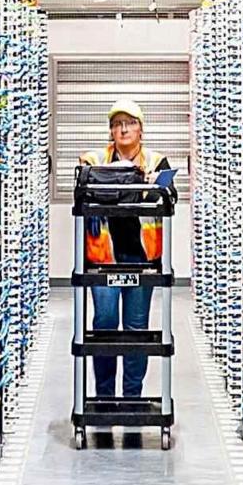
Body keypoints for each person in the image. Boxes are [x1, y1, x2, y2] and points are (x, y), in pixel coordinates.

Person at [71, 102, 175, 400]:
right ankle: (104, 398)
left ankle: (132, 397)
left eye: (130, 123)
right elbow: (81, 188)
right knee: (104, 325)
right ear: (111, 131)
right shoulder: (93, 159)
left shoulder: (157, 161)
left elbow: (172, 195)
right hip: (104, 258)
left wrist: (156, 183)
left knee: (136, 329)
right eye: (117, 124)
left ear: (141, 128)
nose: (124, 129)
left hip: (142, 259)